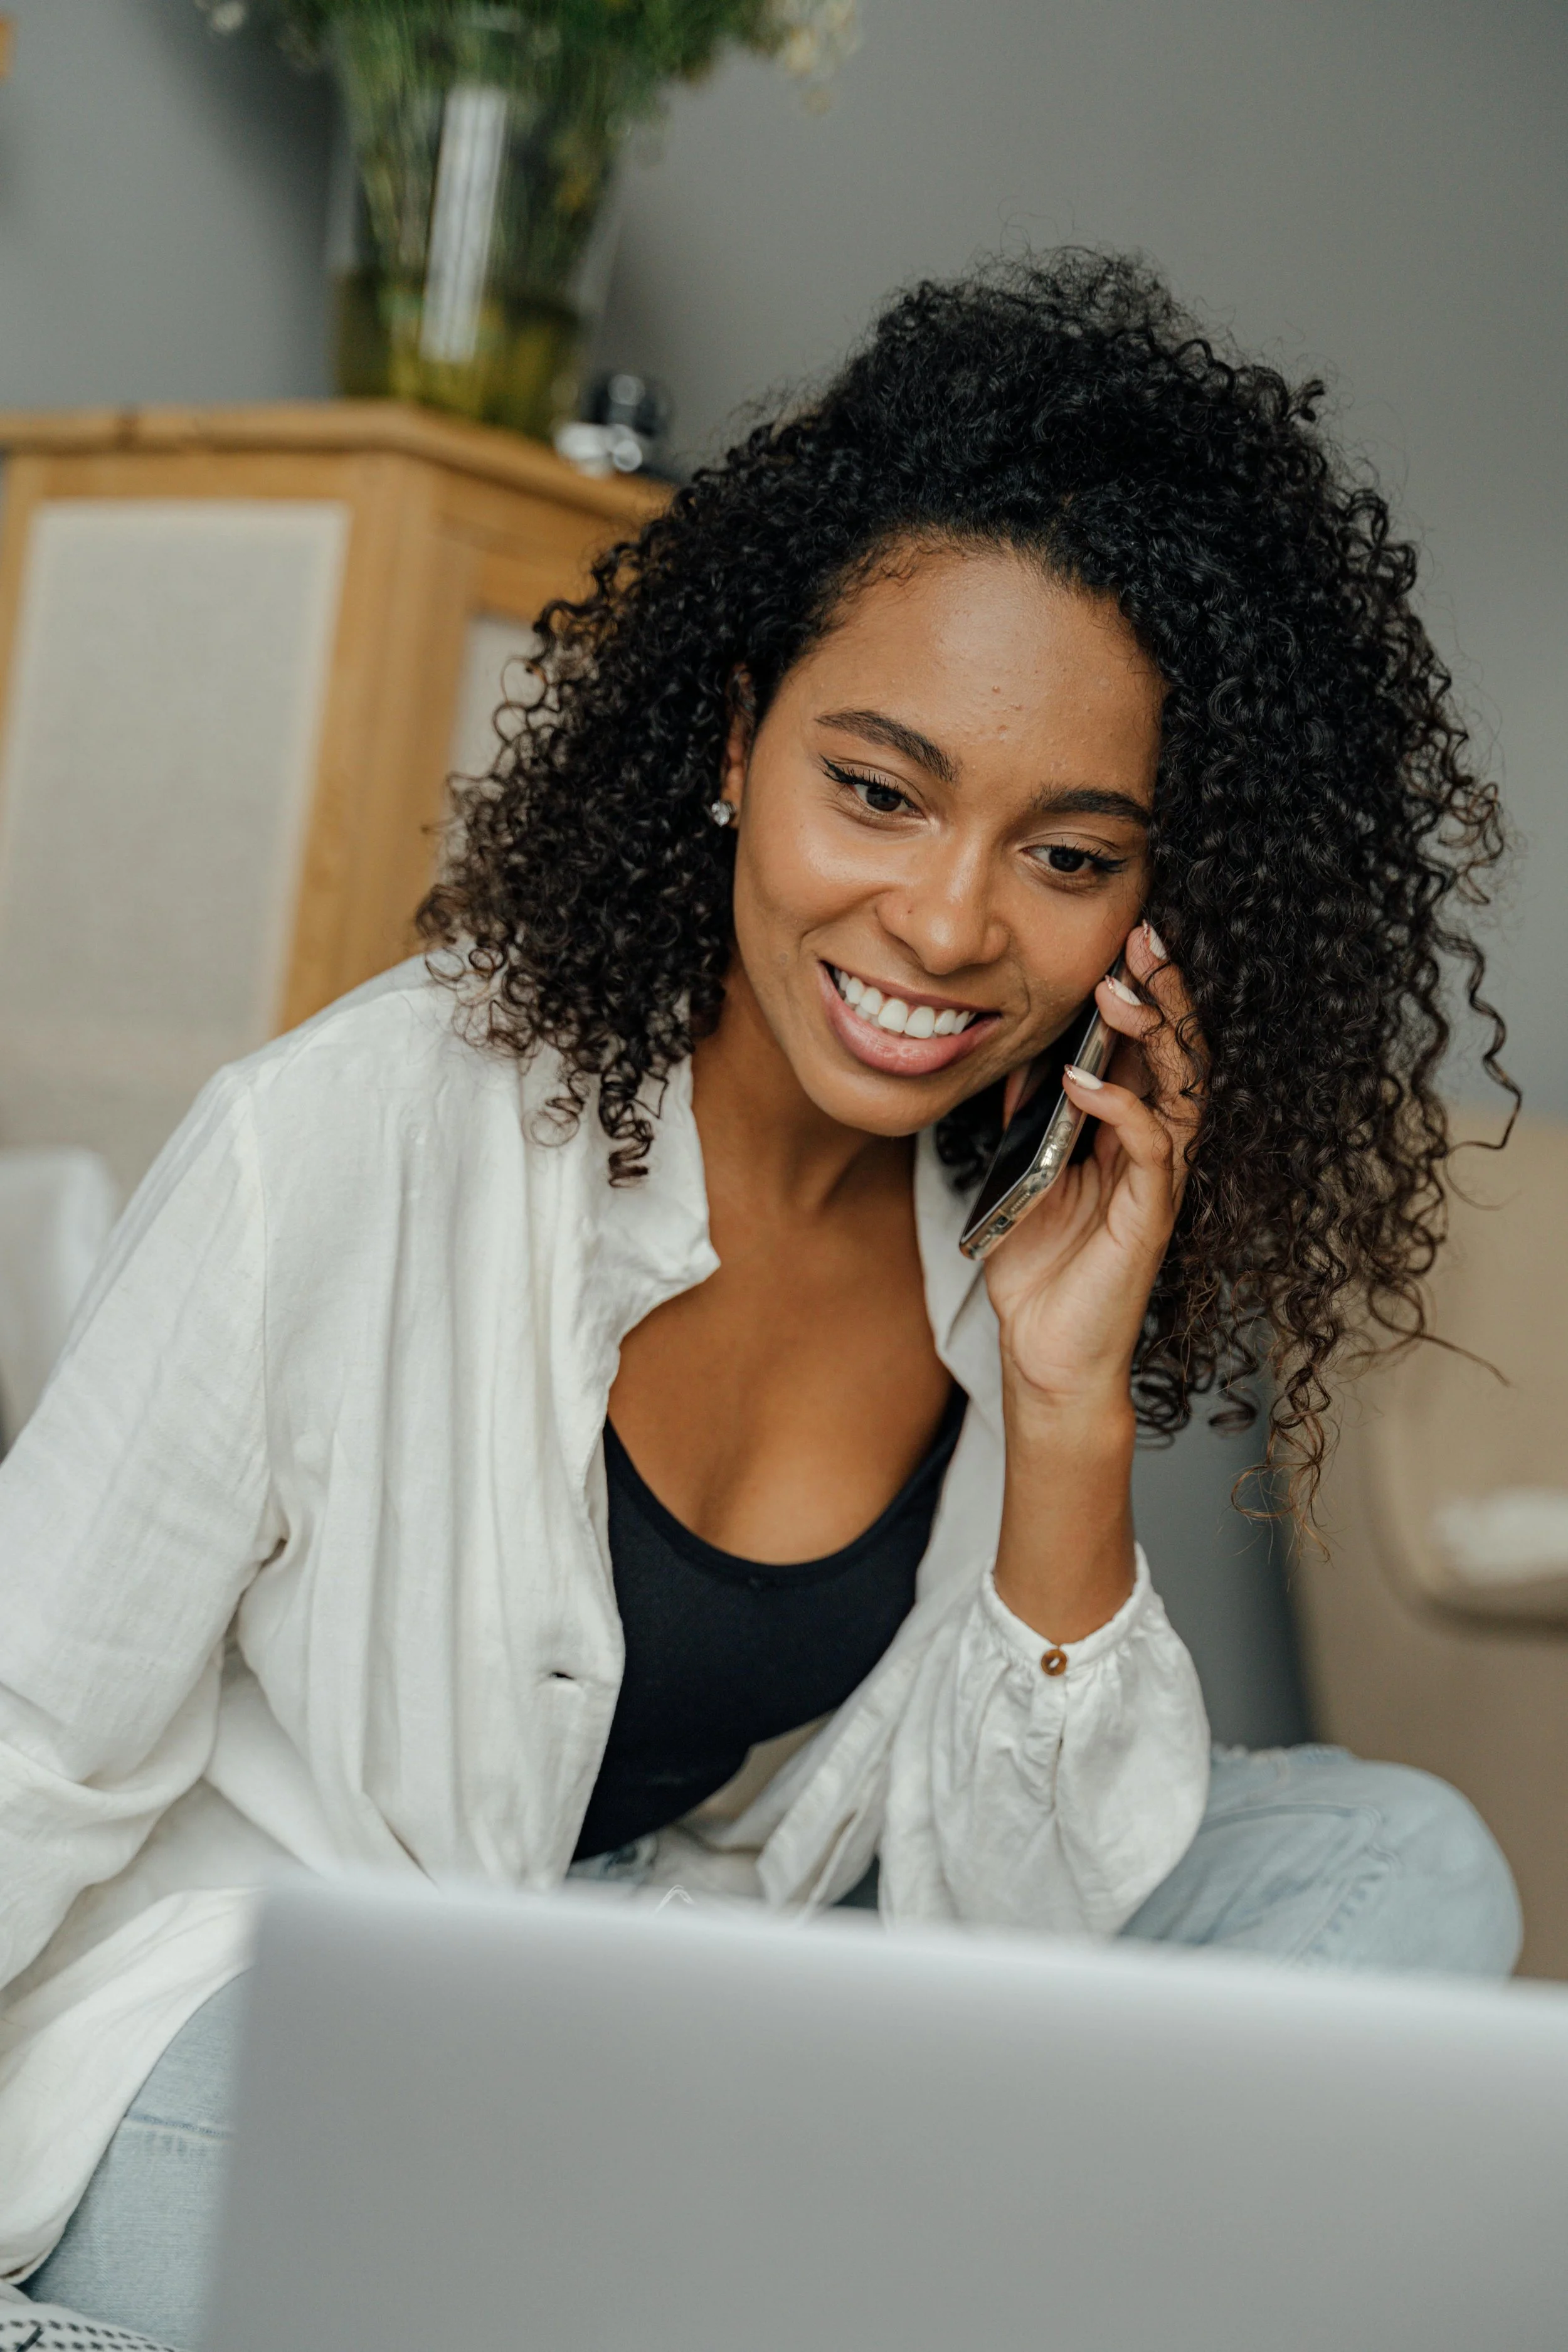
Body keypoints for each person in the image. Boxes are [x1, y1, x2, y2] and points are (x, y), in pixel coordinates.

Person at [4, 253, 1521, 2347]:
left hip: (710, 1997)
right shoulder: (348, 1135)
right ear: (735, 741)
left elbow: (1014, 1938)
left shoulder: (1020, 1233)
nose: (946, 919)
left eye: (1068, 855)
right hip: (298, 2028)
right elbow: (28, 1737)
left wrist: (1066, 1405)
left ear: (1150, 906)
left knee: (1405, 1867)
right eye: (877, 789)